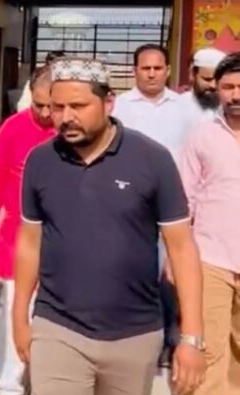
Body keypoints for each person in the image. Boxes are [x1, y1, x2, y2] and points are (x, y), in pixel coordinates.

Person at [13, 57, 206, 395]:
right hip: (58, 327)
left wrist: (191, 338)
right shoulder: (41, 161)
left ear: (108, 103)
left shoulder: (152, 160)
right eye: (57, 107)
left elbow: (182, 249)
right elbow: (29, 242)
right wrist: (19, 316)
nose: (65, 117)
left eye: (78, 106)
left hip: (134, 334)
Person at [113, 43, 195, 369]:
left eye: (157, 68)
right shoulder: (119, 107)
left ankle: (170, 338)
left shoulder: (184, 109)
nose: (151, 74)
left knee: (171, 273)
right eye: (145, 68)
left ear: (168, 71)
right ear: (135, 70)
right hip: (128, 202)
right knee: (132, 269)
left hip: (172, 205)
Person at [178, 52, 240, 395]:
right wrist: (176, 255)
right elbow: (183, 199)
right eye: (228, 87)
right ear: (216, 89)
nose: (235, 95)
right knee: (212, 348)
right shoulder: (202, 136)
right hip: (211, 255)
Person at [0, 65, 56, 395]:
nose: (44, 113)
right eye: (39, 104)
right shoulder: (14, 128)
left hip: (65, 239)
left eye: (51, 106)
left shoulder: (73, 128)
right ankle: (9, 389)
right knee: (16, 311)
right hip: (17, 236)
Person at [182, 47, 226, 123]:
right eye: (207, 79)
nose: (213, 86)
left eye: (218, 80)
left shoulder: (230, 107)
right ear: (192, 74)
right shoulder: (178, 106)